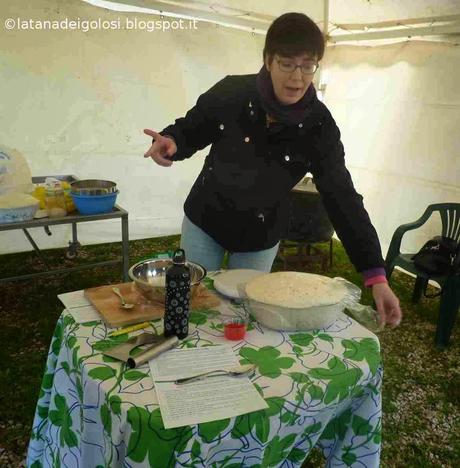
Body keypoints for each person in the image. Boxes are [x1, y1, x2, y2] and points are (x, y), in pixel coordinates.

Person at [144, 12, 402, 327]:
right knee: (192, 305)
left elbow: (342, 196)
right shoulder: (232, 92)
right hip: (206, 219)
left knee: (245, 314)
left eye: (308, 65)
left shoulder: (319, 127)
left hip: (260, 235)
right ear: (268, 60)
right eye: (287, 63)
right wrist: (172, 141)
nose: (297, 77)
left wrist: (376, 275)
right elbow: (192, 128)